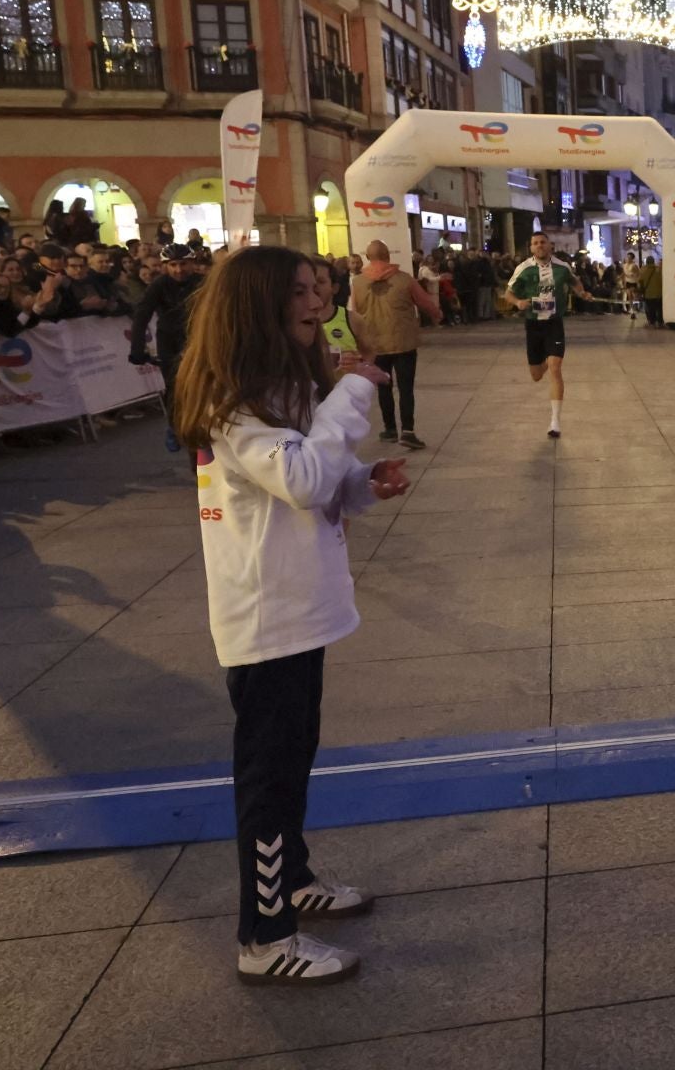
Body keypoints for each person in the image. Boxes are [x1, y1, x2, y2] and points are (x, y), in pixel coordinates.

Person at [172, 246, 411, 984]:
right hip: (267, 620)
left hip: (301, 612)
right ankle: (264, 936)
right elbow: (301, 478)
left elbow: (320, 483)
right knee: (269, 778)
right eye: (302, 291)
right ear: (260, 305)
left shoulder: (279, 393)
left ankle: (294, 880)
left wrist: (367, 483)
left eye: (321, 287)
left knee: (293, 759)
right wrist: (352, 391)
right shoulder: (235, 403)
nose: (320, 301)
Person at [349, 241, 441, 448]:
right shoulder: (404, 280)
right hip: (404, 342)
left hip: (374, 344)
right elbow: (425, 303)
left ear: (367, 257)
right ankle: (407, 431)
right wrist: (438, 315)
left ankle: (389, 429)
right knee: (406, 388)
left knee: (384, 388)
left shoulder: (358, 283)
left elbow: (355, 313)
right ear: (388, 255)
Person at [131, 244, 207, 453]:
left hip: (196, 338)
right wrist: (137, 347)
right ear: (166, 266)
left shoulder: (203, 283)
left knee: (204, 383)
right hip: (169, 339)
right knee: (173, 386)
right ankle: (174, 426)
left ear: (192, 264)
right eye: (173, 265)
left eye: (183, 264)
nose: (179, 270)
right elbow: (142, 314)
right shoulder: (158, 285)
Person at [504, 232, 576, 439]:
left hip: (554, 323)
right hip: (533, 325)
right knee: (536, 375)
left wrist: (582, 292)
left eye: (543, 242)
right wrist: (518, 303)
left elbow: (574, 282)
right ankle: (547, 361)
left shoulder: (562, 267)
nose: (539, 246)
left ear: (550, 245)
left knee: (555, 369)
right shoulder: (523, 269)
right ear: (531, 248)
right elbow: (508, 293)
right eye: (535, 243)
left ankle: (555, 422)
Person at [311, 260, 362, 366]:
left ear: (334, 288)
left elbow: (368, 353)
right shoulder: (290, 323)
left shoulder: (352, 319)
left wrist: (359, 363)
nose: (314, 287)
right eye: (309, 282)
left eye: (320, 281)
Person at [639, 256, 664, 327]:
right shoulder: (658, 269)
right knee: (659, 308)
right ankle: (660, 322)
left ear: (646, 262)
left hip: (648, 293)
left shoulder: (643, 270)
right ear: (653, 261)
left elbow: (640, 281)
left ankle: (652, 322)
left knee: (650, 308)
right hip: (659, 293)